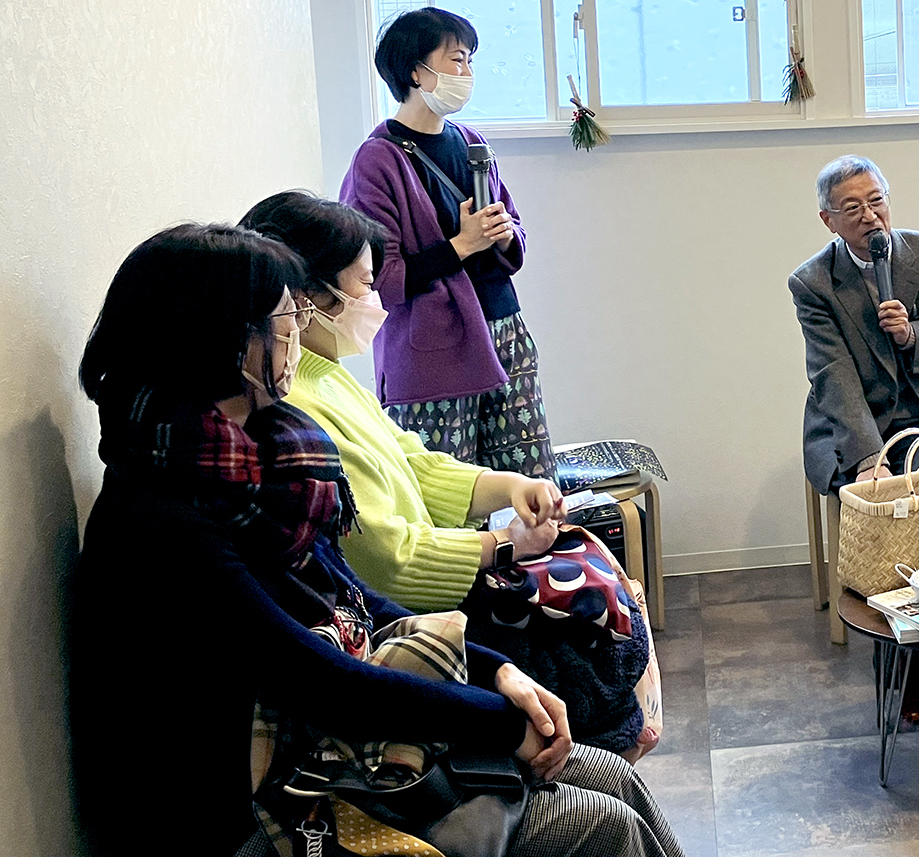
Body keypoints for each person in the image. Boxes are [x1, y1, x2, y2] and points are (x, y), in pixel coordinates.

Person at [71, 224, 683, 857]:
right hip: (254, 801)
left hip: (323, 737)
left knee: (611, 775)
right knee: (600, 823)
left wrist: (498, 673)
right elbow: (320, 681)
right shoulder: (160, 520)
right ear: (226, 342)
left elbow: (354, 601)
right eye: (284, 320)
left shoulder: (264, 460)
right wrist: (500, 718)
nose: (296, 333)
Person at [240, 191, 657, 760]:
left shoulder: (328, 376)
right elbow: (385, 561)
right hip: (419, 612)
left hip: (429, 602)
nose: (376, 300)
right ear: (308, 298)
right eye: (365, 285)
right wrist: (504, 546)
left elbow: (413, 461)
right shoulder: (297, 415)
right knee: (597, 655)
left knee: (601, 603)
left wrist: (510, 487)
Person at [789, 155, 919, 705]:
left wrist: (914, 335)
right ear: (828, 220)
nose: (870, 216)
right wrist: (867, 455)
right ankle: (893, 635)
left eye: (876, 201)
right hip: (852, 424)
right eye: (852, 208)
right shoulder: (812, 282)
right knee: (887, 492)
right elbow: (833, 375)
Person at [341, 6, 560, 483]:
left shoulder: (471, 142)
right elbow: (379, 278)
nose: (467, 73)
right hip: (434, 354)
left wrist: (504, 235)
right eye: (457, 59)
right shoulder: (377, 161)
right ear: (416, 71)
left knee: (528, 485)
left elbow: (514, 230)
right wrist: (461, 245)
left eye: (470, 61)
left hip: (504, 328)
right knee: (449, 491)